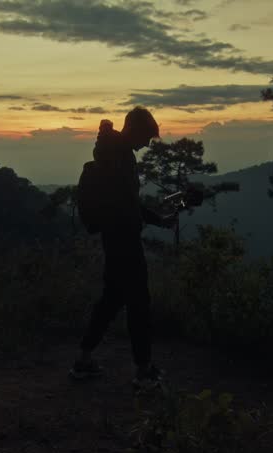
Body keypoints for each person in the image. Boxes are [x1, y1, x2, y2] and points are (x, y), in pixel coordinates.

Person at [69, 106, 175, 388]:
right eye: (147, 137)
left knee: (112, 299)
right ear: (134, 130)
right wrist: (155, 219)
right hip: (124, 239)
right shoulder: (119, 156)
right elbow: (127, 203)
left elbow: (127, 201)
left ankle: (83, 360)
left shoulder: (113, 152)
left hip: (114, 236)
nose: (147, 144)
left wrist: (156, 219)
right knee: (139, 303)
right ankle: (143, 370)